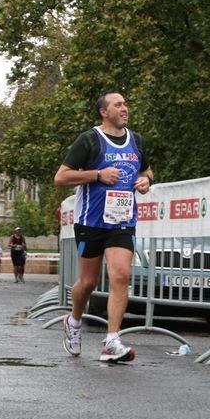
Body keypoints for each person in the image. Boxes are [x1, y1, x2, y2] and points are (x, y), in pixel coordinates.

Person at [53, 91, 153, 362]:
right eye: (118, 105)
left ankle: (112, 340)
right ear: (103, 112)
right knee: (88, 282)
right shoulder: (89, 140)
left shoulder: (137, 141)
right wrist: (97, 175)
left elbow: (147, 171)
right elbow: (60, 177)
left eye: (126, 104)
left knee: (121, 274)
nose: (125, 108)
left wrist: (146, 181)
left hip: (122, 221)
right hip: (91, 221)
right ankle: (73, 322)